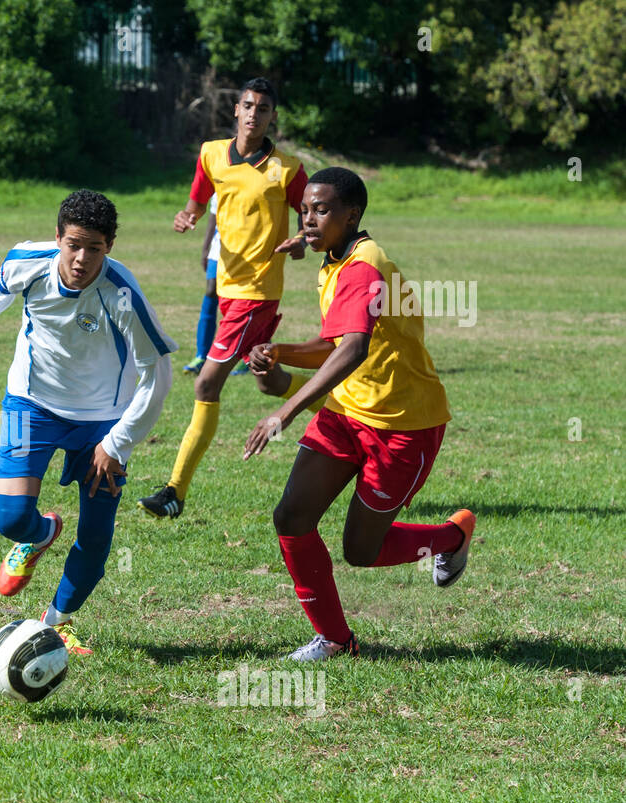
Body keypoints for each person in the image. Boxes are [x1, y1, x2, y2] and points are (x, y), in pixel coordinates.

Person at [242, 167, 475, 662]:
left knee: (360, 551)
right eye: (304, 209)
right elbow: (334, 343)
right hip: (347, 412)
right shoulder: (337, 257)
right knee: (292, 516)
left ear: (353, 215)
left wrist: (283, 412)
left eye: (321, 210)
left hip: (402, 425)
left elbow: (352, 350)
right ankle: (335, 639)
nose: (308, 219)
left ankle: (451, 537)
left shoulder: (365, 267)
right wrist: (278, 349)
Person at [0, 190, 177, 655]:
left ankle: (56, 621)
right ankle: (41, 534)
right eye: (73, 244)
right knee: (10, 519)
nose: (82, 259)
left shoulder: (122, 294)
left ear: (110, 246)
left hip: (103, 422)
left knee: (96, 537)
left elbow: (158, 376)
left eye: (95, 248)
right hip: (33, 403)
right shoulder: (29, 261)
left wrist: (118, 443)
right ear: (57, 238)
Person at [139, 77, 318, 520]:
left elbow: (314, 216)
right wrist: (187, 216)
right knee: (267, 379)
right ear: (236, 111)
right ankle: (337, 403)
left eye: (264, 108)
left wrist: (301, 240)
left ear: (273, 117)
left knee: (205, 382)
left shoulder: (288, 169)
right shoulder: (211, 154)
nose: (254, 113)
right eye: (248, 105)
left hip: (257, 293)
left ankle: (175, 490)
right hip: (228, 289)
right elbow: (198, 203)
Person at [182, 192, 222, 376]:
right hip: (220, 243)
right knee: (211, 290)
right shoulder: (221, 173)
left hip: (250, 245)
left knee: (244, 299)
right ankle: (201, 355)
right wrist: (206, 248)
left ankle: (246, 355)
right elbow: (213, 216)